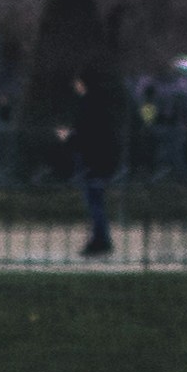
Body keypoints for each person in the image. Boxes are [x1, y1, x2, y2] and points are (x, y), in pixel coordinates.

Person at [62, 60, 124, 259]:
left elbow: (86, 133)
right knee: (95, 199)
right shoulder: (102, 103)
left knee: (94, 200)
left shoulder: (88, 104)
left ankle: (101, 239)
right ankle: (100, 238)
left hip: (93, 158)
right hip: (102, 156)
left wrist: (69, 138)